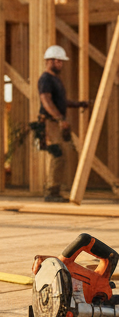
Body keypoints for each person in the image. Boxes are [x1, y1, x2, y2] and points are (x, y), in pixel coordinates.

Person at [37, 45, 89, 202]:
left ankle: (54, 189)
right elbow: (46, 101)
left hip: (55, 121)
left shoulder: (55, 80)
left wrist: (79, 104)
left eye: (61, 62)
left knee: (61, 155)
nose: (60, 64)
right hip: (50, 122)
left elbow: (61, 102)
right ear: (49, 61)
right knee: (58, 154)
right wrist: (60, 119)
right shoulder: (45, 79)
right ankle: (52, 192)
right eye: (57, 61)